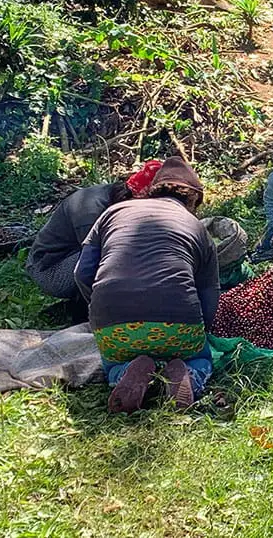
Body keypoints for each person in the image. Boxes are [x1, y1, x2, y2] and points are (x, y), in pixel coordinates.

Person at [75, 157, 219, 414]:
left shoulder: (113, 212)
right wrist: (200, 332)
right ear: (193, 200)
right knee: (200, 357)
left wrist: (99, 309)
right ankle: (188, 373)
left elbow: (82, 273)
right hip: (178, 322)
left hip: (113, 324)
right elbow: (209, 290)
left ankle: (125, 372)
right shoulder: (196, 227)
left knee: (113, 360)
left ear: (154, 190)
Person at [25, 160, 163, 300]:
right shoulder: (91, 212)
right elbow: (89, 267)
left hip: (74, 257)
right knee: (112, 259)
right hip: (49, 268)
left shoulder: (117, 196)